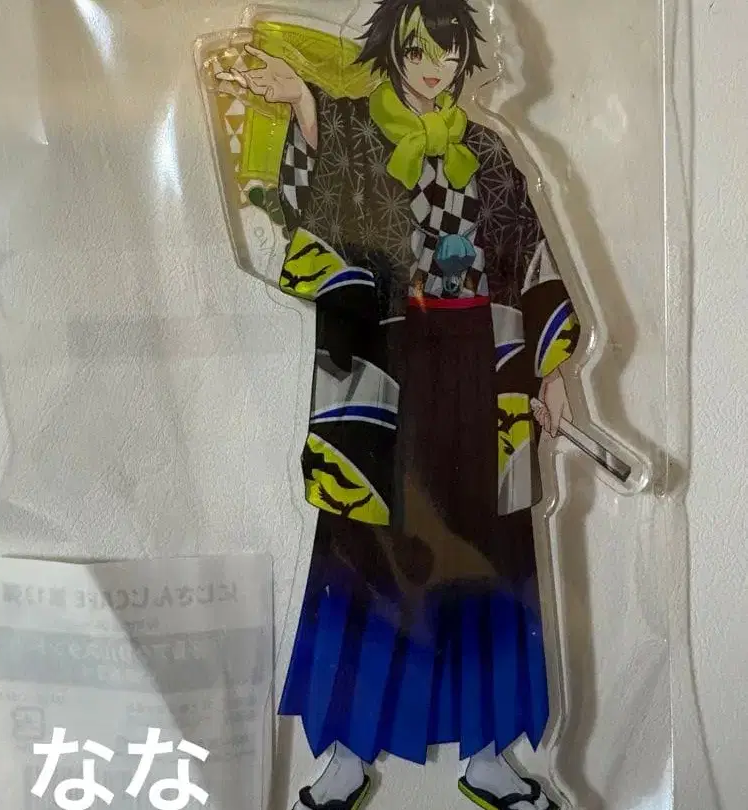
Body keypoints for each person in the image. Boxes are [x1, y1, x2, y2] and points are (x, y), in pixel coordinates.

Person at [219, 1, 580, 808]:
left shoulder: (488, 150)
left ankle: (487, 752)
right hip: (388, 362)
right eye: (418, 49)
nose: (433, 67)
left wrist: (552, 371)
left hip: (484, 366)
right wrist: (301, 99)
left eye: (448, 53)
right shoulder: (359, 130)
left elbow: (529, 255)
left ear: (465, 61)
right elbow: (319, 190)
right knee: (365, 548)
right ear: (392, 50)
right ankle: (347, 754)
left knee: (489, 553)